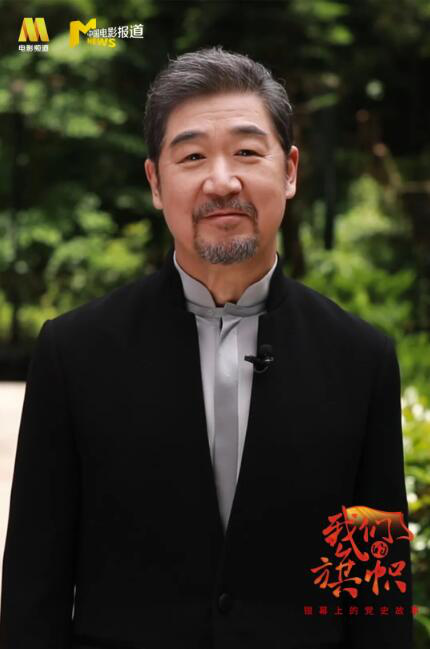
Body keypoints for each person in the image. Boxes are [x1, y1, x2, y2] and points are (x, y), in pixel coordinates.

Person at [0, 47, 413, 649]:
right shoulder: (73, 352)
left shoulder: (361, 358)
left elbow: (375, 594)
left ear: (290, 170)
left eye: (247, 152)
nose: (222, 181)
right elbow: (32, 592)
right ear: (155, 182)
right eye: (192, 156)